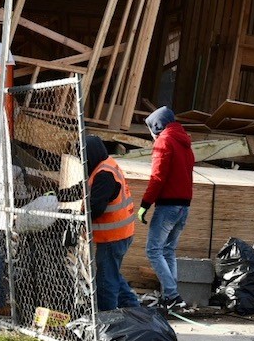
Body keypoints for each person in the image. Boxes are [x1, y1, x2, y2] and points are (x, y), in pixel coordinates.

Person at [137, 106, 195, 310]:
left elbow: (158, 177)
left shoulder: (164, 141)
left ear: (157, 126)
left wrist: (145, 204)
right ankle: (172, 297)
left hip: (168, 206)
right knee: (168, 250)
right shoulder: (184, 142)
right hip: (183, 205)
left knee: (153, 250)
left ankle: (171, 296)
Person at [83, 133, 141, 311]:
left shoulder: (104, 175)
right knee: (111, 273)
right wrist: (62, 195)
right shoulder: (105, 166)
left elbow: (95, 207)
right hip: (120, 234)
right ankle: (134, 310)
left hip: (113, 237)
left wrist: (77, 218)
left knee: (106, 280)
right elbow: (85, 189)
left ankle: (106, 319)